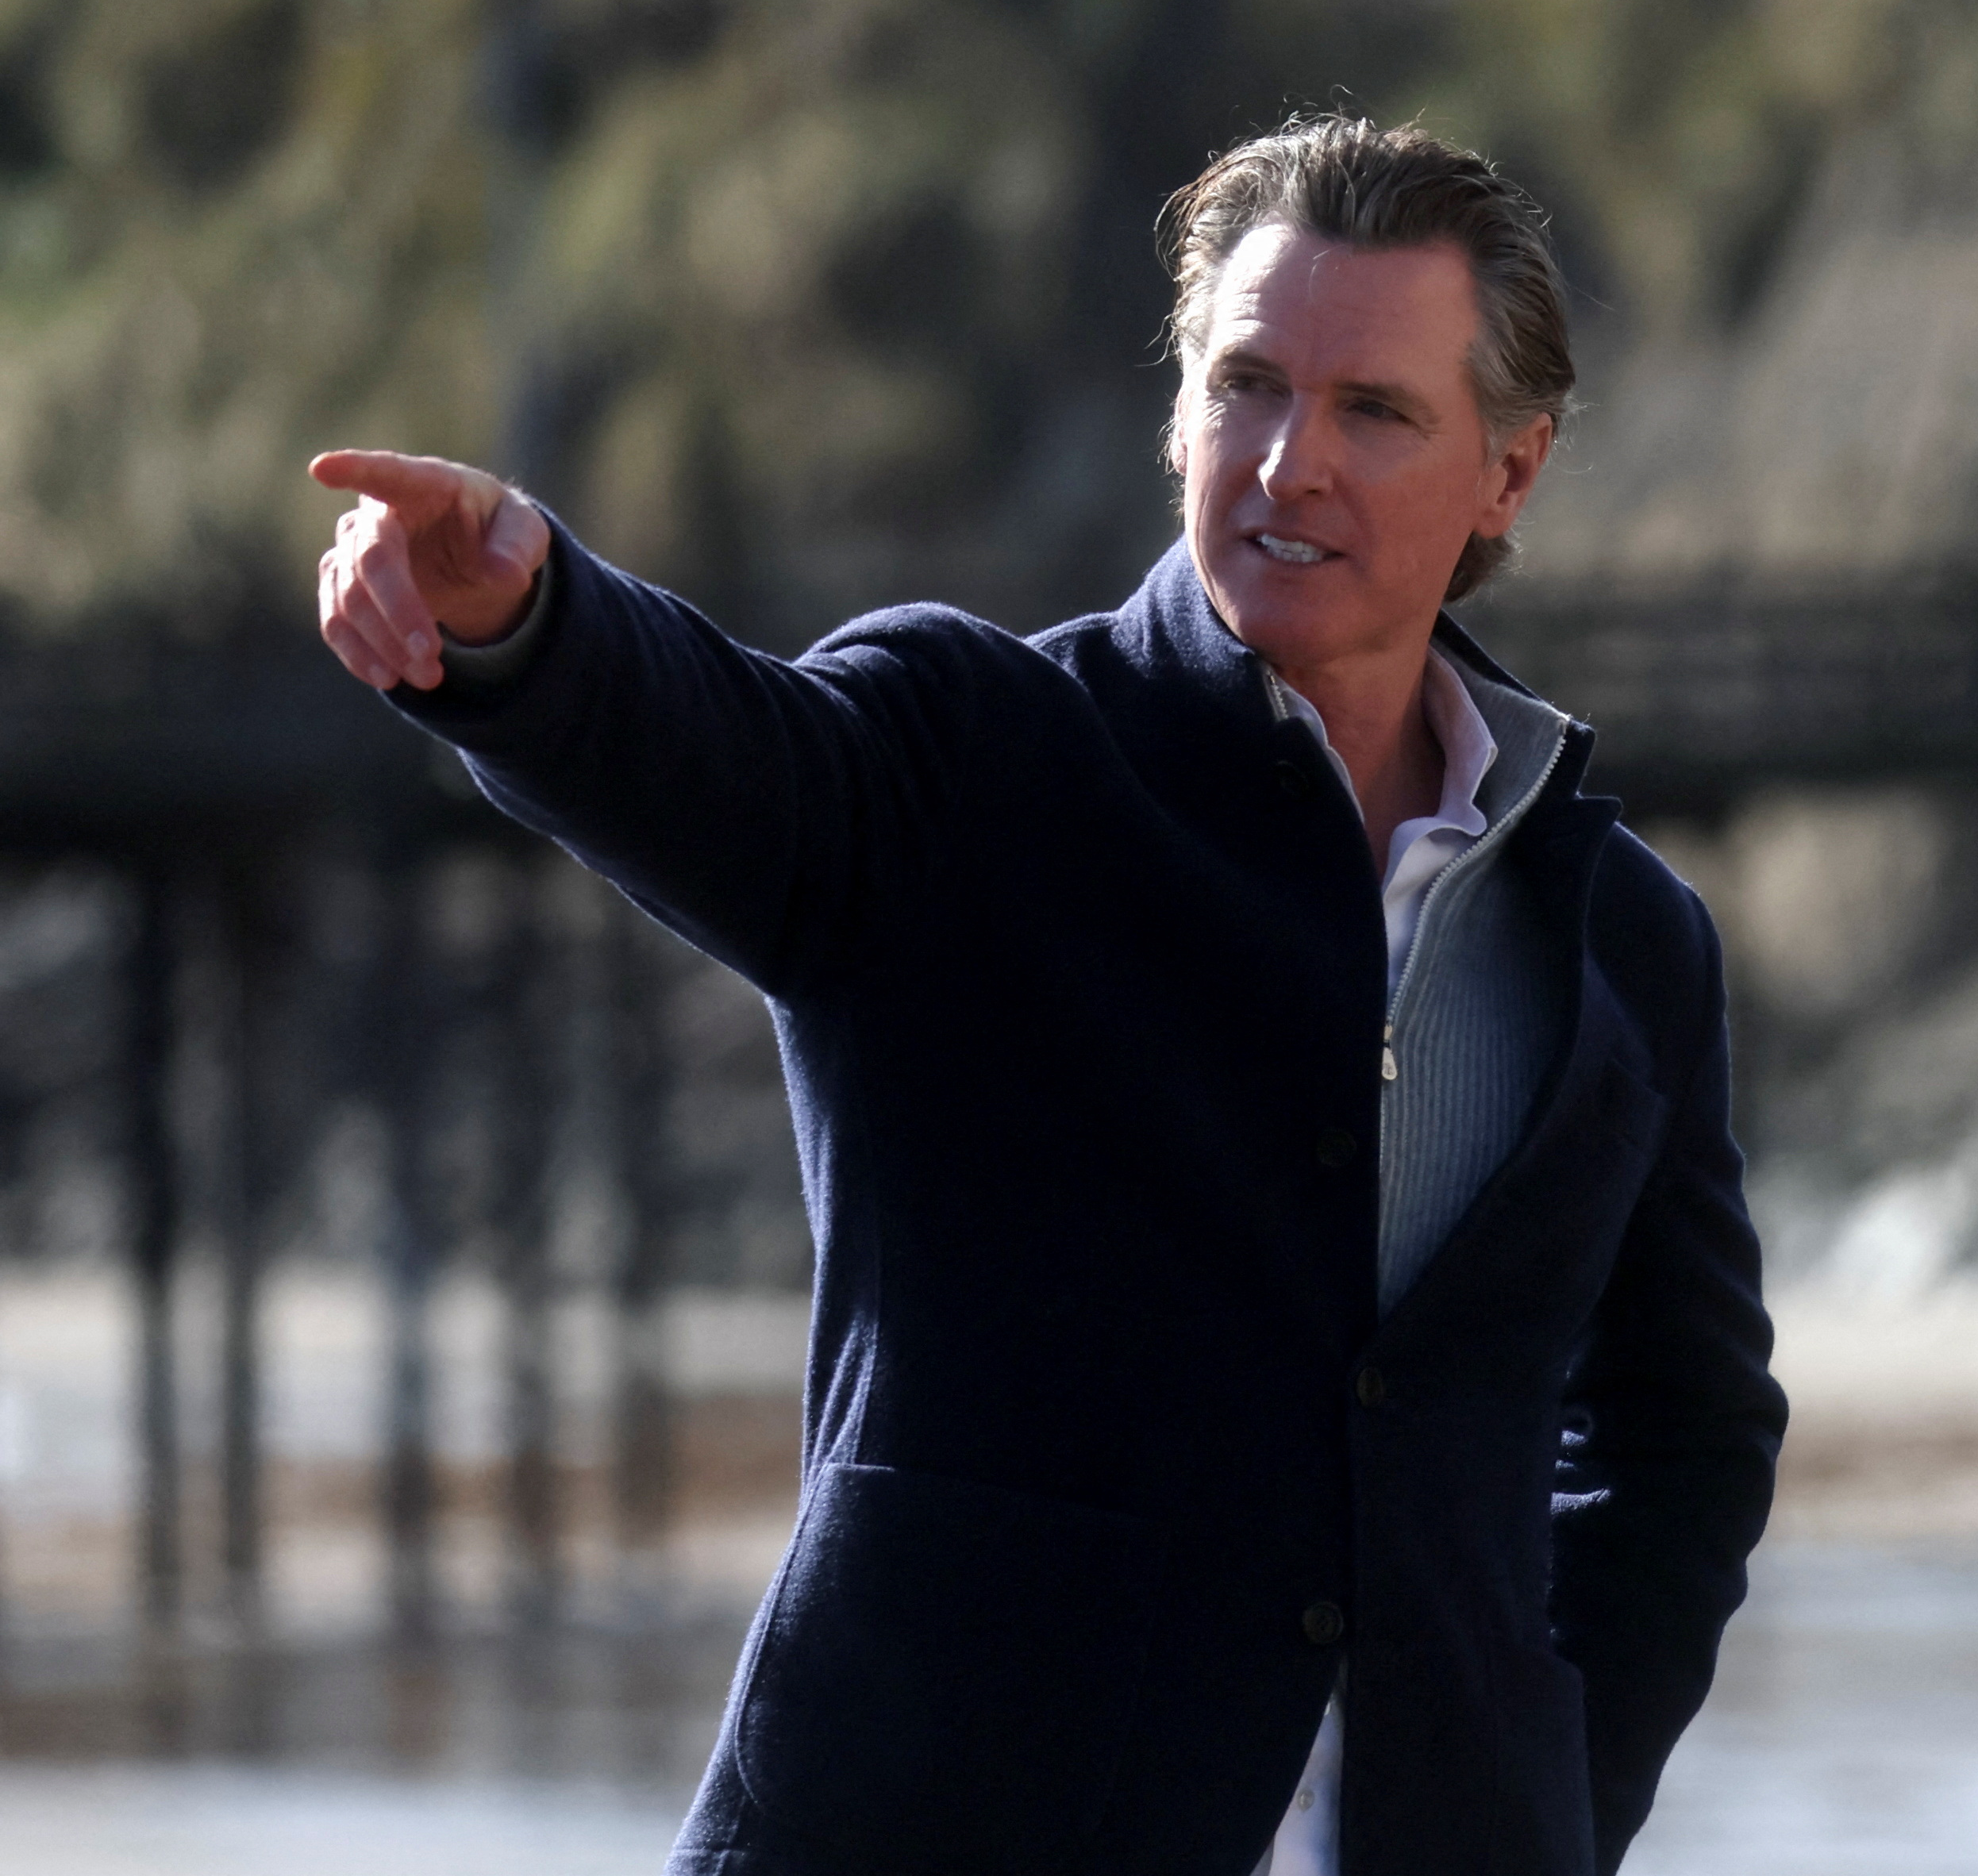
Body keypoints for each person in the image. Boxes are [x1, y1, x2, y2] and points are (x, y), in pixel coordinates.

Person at [310, 117, 1786, 1876]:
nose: (1291, 461)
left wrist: (1542, 1795)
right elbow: (722, 757)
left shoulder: (1619, 935)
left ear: (1509, 473)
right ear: (1182, 416)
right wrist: (526, 621)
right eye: (1247, 386)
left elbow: (1685, 1438)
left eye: (1375, 411)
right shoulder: (980, 758)